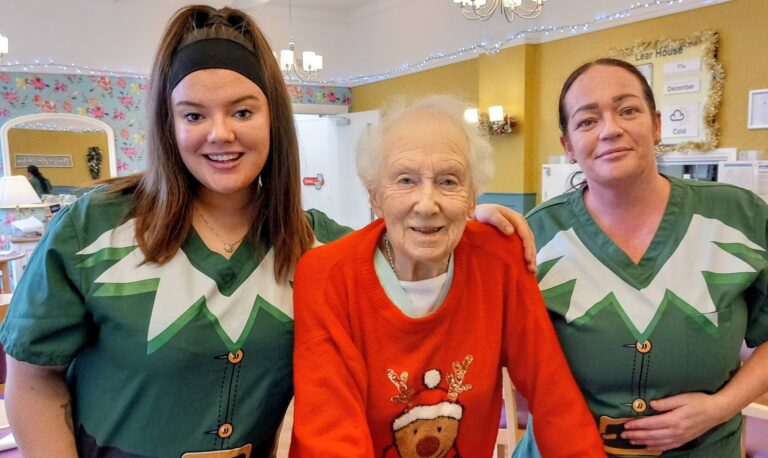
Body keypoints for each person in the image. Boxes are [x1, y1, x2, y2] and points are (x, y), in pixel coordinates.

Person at [0, 7, 533, 457]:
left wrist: (471, 225)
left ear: (273, 119)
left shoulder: (320, 249)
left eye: (242, 111)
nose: (221, 133)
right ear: (168, 124)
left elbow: (408, 251)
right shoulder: (94, 229)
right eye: (194, 115)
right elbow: (34, 379)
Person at [289, 95, 605, 457]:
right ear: (375, 197)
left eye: (449, 181)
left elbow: (556, 401)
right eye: (406, 180)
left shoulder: (499, 260)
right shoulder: (326, 275)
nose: (427, 204)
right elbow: (328, 436)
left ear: (472, 198)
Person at [517, 58, 768, 457]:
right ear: (568, 147)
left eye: (628, 110)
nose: (610, 129)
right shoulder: (533, 235)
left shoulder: (740, 217)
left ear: (656, 125)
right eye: (587, 121)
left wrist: (721, 406)